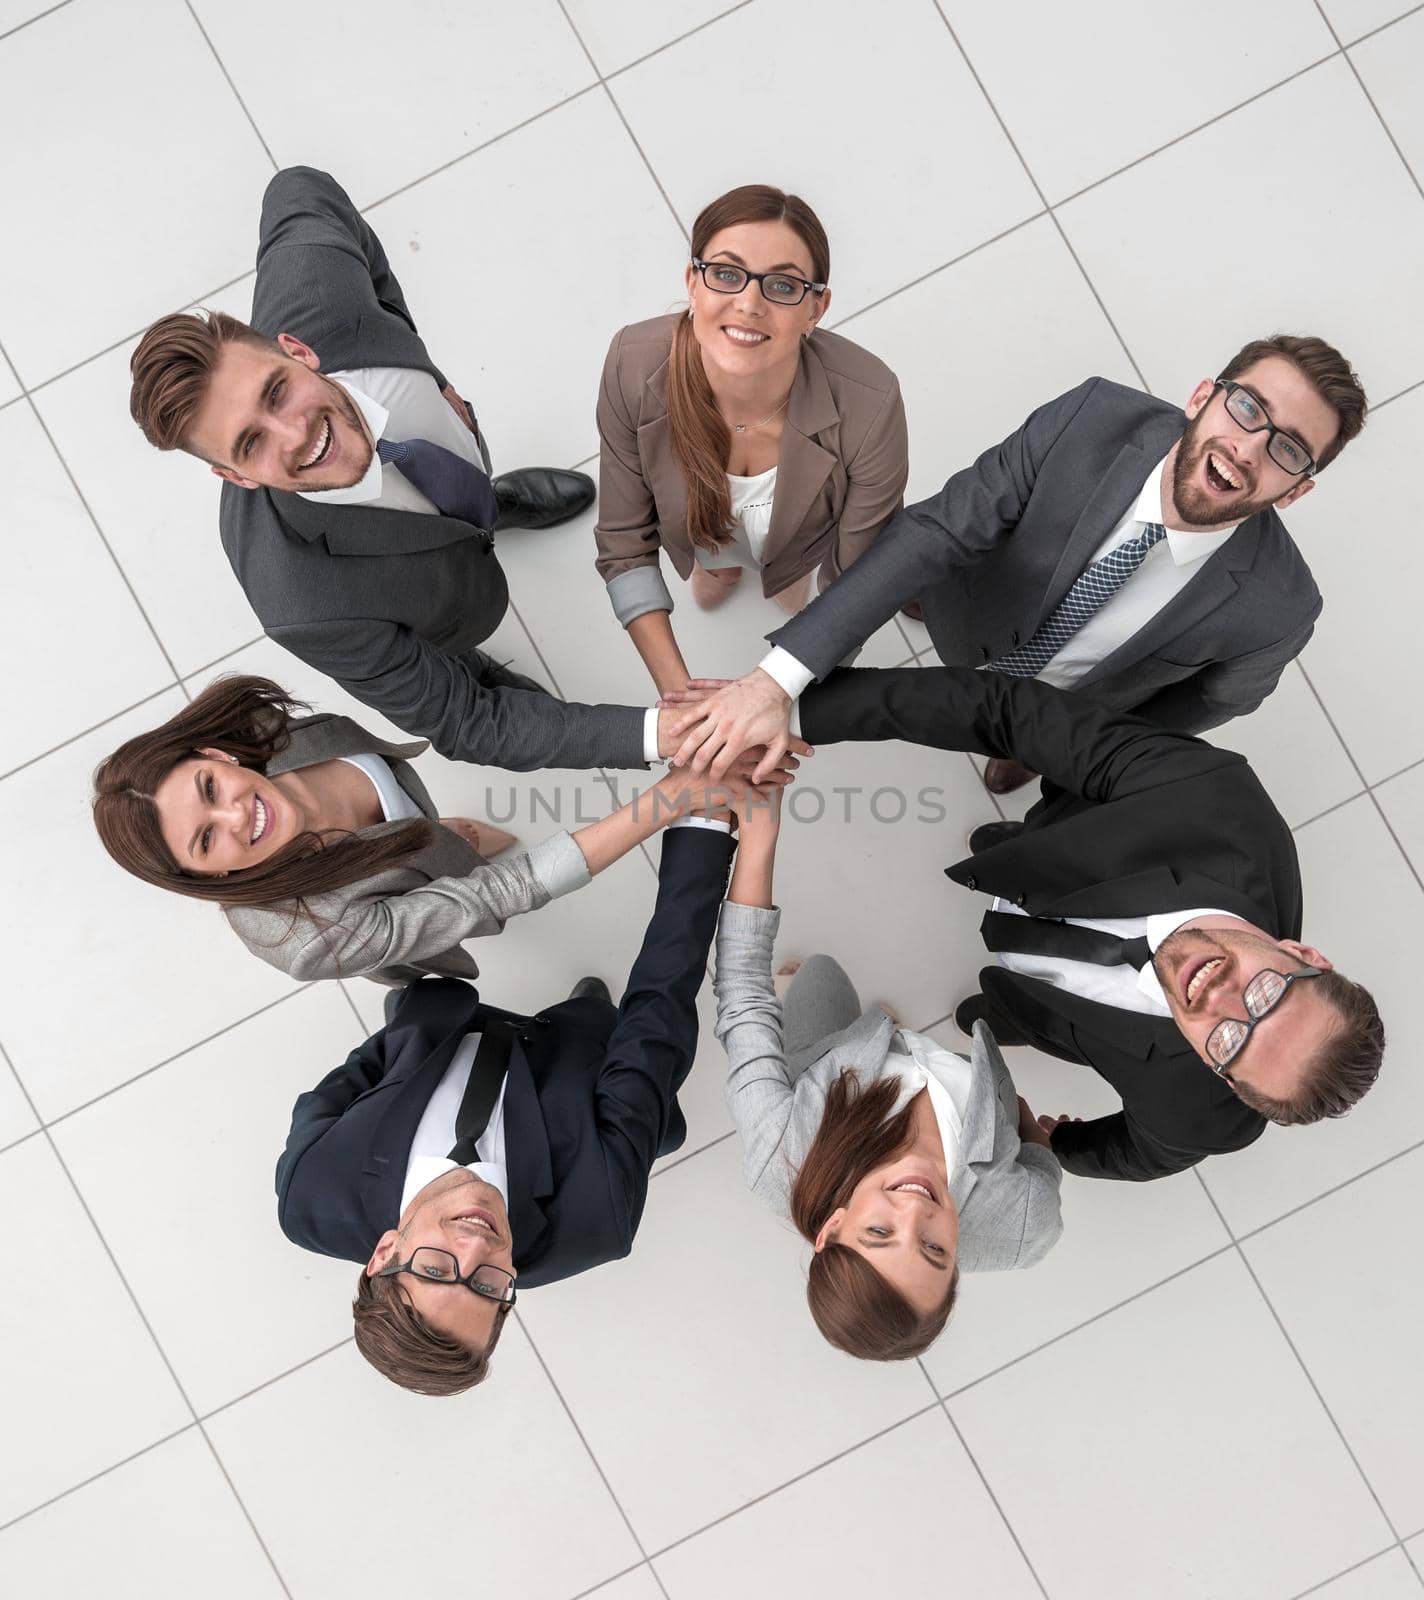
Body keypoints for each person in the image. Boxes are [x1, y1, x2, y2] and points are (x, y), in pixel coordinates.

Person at [127, 165, 750, 774]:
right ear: (236, 478)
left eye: (277, 392)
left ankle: (489, 506)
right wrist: (655, 734)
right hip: (433, 615)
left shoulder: (316, 290)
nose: (297, 435)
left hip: (437, 461)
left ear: (297, 349)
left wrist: (402, 338)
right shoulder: (308, 607)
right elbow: (467, 721)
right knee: (463, 681)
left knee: (456, 492)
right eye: (250, 444)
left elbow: (299, 188)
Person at [659, 334, 1367, 790]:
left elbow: (1214, 701)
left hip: (1061, 702)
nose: (1247, 448)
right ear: (1202, 397)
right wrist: (776, 681)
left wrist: (1082, 737)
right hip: (973, 598)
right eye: (1247, 408)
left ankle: (1022, 749)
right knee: (913, 569)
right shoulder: (1092, 419)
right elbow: (936, 534)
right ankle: (925, 609)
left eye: (1287, 449)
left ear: (1297, 491)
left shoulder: (1280, 609)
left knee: (1031, 737)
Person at [783, 663, 1384, 1181]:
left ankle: (1007, 1014)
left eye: (1229, 1043)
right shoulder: (1210, 799)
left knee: (1002, 1015)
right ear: (1306, 956)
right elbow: (1003, 710)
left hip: (1059, 1018)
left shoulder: (1201, 1116)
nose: (1221, 996)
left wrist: (1060, 1146)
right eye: (1266, 991)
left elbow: (1140, 1154)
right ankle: (1015, 850)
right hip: (1080, 845)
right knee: (1019, 849)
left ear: (1221, 1079)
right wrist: (793, 714)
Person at [275, 815, 738, 1395]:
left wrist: (403, 1041)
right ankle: (584, 1012)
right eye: (488, 1287)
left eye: (438, 1269)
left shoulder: (311, 1193)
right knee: (612, 1031)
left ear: (385, 1252)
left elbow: (330, 1098)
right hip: (581, 1071)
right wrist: (705, 828)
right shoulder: (599, 1215)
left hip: (445, 1034)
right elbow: (659, 1011)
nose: (476, 1245)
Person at [92, 674, 781, 986]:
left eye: (210, 791)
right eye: (205, 841)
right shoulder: (309, 940)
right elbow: (498, 895)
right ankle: (428, 856)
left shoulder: (254, 735)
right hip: (374, 926)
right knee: (458, 896)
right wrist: (667, 799)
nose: (237, 815)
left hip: (404, 844)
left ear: (213, 756)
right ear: (202, 879)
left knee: (430, 841)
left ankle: (426, 842)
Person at [713, 791, 1061, 1360]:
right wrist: (1036, 1139)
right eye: (934, 1249)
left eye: (878, 1234)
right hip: (936, 1081)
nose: (917, 1210)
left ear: (830, 1230)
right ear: (958, 1266)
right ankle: (898, 1046)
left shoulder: (780, 1152)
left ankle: (859, 1026)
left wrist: (757, 839)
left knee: (820, 973)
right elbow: (1043, 1173)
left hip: (827, 1062)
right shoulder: (1024, 1227)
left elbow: (743, 999)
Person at [595, 183, 908, 696]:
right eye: (725, 273)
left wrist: (781, 695)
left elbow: (858, 588)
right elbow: (625, 544)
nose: (748, 303)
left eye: (782, 286)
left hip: (802, 545)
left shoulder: (870, 401)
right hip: (702, 534)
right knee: (712, 579)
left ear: (816, 309)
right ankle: (719, 570)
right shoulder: (632, 361)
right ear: (692, 283)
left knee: (791, 591)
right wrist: (682, 703)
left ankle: (781, 577)